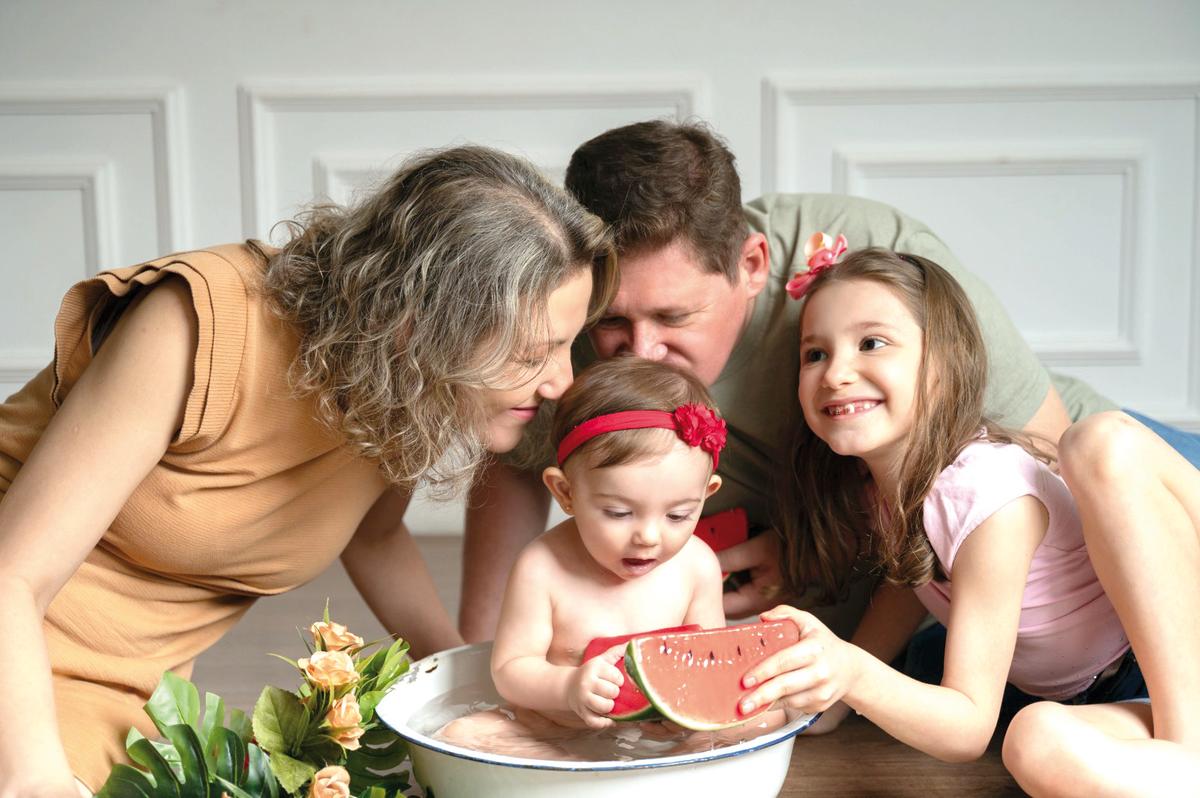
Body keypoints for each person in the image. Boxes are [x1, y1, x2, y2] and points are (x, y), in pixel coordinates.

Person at [0, 145, 616, 794]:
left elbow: (373, 535)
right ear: (422, 327)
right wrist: (34, 776)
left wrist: (469, 678)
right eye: (533, 354)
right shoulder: (193, 326)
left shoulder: (398, 380)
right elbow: (13, 574)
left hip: (139, 690)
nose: (561, 383)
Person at [459, 118, 1150, 645]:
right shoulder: (569, 301)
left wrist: (827, 544)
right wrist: (482, 657)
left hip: (1075, 509)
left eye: (675, 316)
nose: (639, 350)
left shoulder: (861, 267)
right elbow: (519, 460)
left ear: (753, 265)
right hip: (862, 582)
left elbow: (1041, 451)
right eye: (613, 321)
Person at [735, 247, 1200, 794]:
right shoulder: (877, 486)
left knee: (1099, 441)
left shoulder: (988, 492)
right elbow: (911, 582)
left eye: (871, 343)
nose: (835, 373)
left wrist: (852, 672)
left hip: (1169, 660)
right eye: (814, 354)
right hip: (1105, 694)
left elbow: (967, 727)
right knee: (1034, 740)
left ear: (943, 363)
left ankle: (1188, 744)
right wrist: (835, 697)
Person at [490, 356, 726, 729]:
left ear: (706, 494)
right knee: (468, 732)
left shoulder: (697, 566)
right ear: (565, 493)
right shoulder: (542, 567)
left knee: (771, 716)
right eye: (618, 513)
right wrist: (567, 686)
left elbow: (714, 661)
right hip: (558, 729)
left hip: (659, 731)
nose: (648, 537)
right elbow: (509, 670)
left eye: (678, 515)